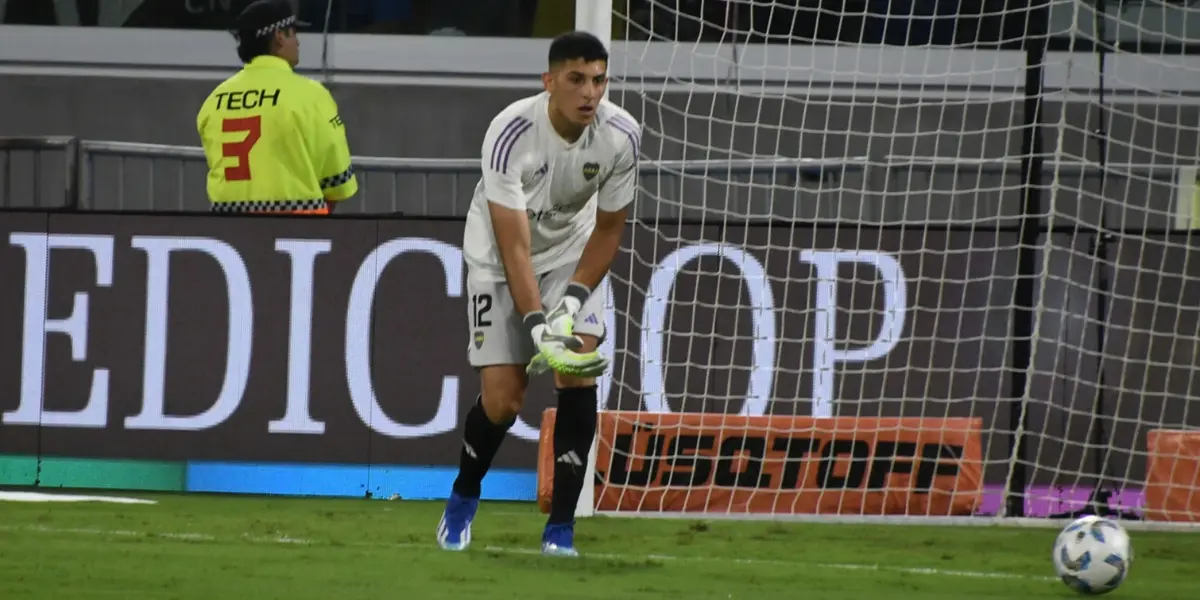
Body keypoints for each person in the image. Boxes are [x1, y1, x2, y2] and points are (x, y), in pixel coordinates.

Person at [437, 30, 641, 558]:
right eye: (576, 79)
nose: (589, 93)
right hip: (499, 260)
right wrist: (536, 326)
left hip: (571, 253)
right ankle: (463, 496)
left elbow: (609, 230)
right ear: (549, 81)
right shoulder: (510, 133)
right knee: (504, 399)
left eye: (599, 80)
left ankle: (561, 529)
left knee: (576, 369)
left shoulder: (621, 135)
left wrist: (570, 305)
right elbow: (514, 244)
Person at [196, 0, 357, 214]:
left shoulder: (214, 100)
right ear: (279, 37)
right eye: (293, 33)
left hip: (228, 229)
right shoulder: (310, 95)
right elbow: (337, 182)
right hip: (296, 233)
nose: (298, 42)